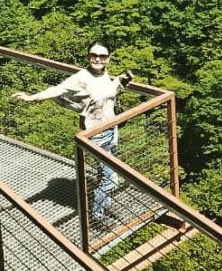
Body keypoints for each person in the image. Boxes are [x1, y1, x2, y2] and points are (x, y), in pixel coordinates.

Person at [11, 41, 132, 221]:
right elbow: (58, 90)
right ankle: (97, 216)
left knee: (106, 173)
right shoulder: (81, 78)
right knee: (111, 179)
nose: (98, 59)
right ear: (88, 56)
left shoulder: (104, 75)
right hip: (96, 134)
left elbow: (106, 92)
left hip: (112, 129)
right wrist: (31, 98)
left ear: (108, 59)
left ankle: (104, 204)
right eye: (94, 55)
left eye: (102, 56)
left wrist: (119, 80)